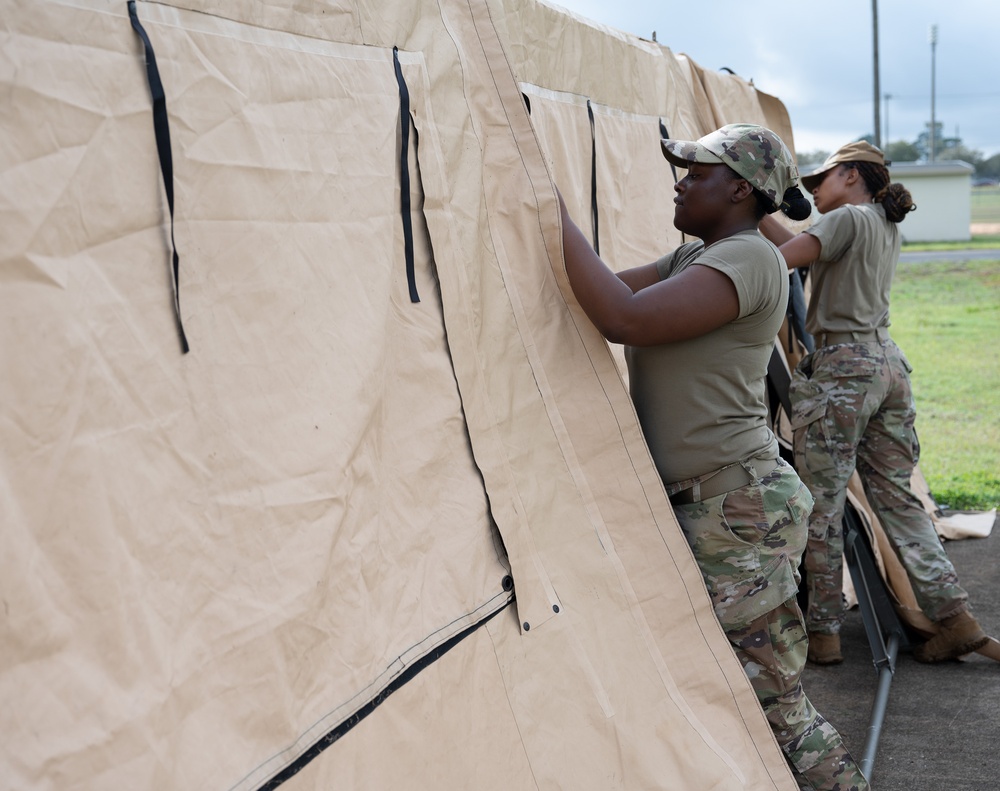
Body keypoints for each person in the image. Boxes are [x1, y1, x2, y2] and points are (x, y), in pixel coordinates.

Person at [558, 123, 868, 791]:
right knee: (724, 693)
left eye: (695, 174)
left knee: (771, 702)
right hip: (716, 505)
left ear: (738, 188)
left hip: (735, 510)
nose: (679, 182)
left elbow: (624, 320)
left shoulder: (750, 258)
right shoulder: (695, 259)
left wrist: (542, 203)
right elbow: (605, 290)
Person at [759, 140, 990, 665]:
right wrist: (759, 215)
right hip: (886, 365)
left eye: (825, 178)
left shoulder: (846, 221)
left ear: (851, 175)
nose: (816, 188)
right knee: (897, 499)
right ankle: (955, 618)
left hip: (842, 370)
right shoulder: (881, 224)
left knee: (822, 505)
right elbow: (804, 246)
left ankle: (823, 634)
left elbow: (783, 260)